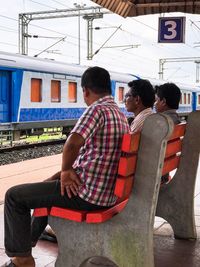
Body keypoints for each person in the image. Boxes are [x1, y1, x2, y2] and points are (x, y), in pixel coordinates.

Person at [2, 66, 129, 267]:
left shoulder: (96, 109)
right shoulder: (119, 113)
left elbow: (73, 142)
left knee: (14, 196)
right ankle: (27, 244)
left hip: (87, 195)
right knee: (46, 185)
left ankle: (22, 259)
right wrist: (62, 173)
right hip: (107, 193)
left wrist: (68, 170)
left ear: (86, 90)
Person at [154, 82, 181, 184]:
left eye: (156, 100)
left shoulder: (160, 123)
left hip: (155, 176)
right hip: (165, 171)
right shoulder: (178, 122)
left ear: (163, 101)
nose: (155, 104)